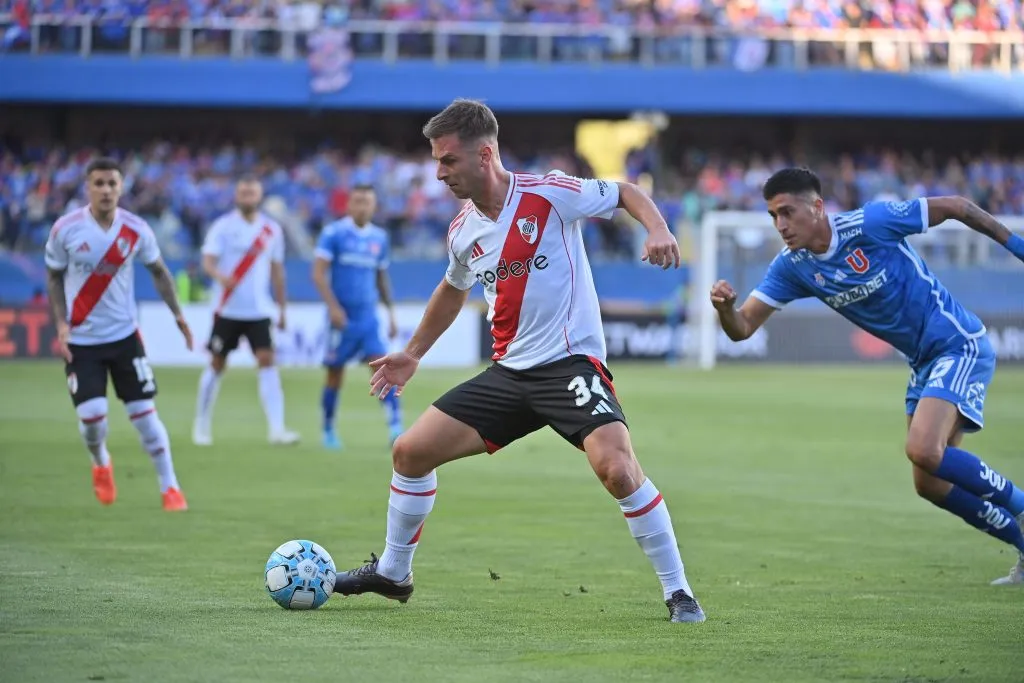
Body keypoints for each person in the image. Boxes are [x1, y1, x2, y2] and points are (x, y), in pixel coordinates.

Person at [332, 99, 706, 623]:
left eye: (448, 161)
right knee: (409, 453)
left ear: (484, 155)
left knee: (618, 470)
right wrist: (412, 354)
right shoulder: (463, 231)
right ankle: (395, 573)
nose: (439, 174)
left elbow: (624, 192)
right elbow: (451, 288)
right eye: (437, 162)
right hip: (509, 375)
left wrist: (658, 228)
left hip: (570, 366)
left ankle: (679, 592)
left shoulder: (549, 193)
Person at [710, 167, 1024, 585]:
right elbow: (743, 328)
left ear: (817, 206)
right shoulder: (792, 267)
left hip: (956, 342)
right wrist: (725, 309)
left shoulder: (871, 223)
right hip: (923, 362)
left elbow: (957, 207)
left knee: (924, 450)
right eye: (773, 216)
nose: (780, 225)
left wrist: (1015, 244)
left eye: (787, 212)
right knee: (928, 483)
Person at [44, 157, 192, 511]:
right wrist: (61, 325)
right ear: (88, 188)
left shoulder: (136, 229)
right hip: (82, 341)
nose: (106, 190)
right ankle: (100, 463)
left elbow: (158, 272)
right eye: (99, 183)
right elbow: (53, 276)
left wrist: (178, 315)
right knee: (93, 420)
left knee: (146, 416)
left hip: (124, 338)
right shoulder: (66, 229)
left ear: (121, 187)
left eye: (112, 183)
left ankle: (170, 487)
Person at [191, 176, 299, 446]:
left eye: (252, 191)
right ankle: (201, 425)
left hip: (259, 311)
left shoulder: (271, 229)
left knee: (267, 361)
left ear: (260, 195)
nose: (248, 195)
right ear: (236, 196)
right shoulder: (223, 227)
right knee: (217, 364)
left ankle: (277, 429)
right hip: (227, 309)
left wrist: (282, 308)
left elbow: (277, 271)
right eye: (243, 191)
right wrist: (219, 276)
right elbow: (207, 261)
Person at [312, 185, 401, 450]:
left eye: (368, 202)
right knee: (335, 374)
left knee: (383, 370)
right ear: (349, 205)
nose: (363, 206)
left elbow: (381, 278)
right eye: (358, 201)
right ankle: (328, 429)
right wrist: (334, 308)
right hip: (342, 318)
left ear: (374, 207)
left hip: (368, 318)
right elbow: (318, 274)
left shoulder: (379, 238)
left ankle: (395, 427)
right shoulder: (334, 233)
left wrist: (391, 313)